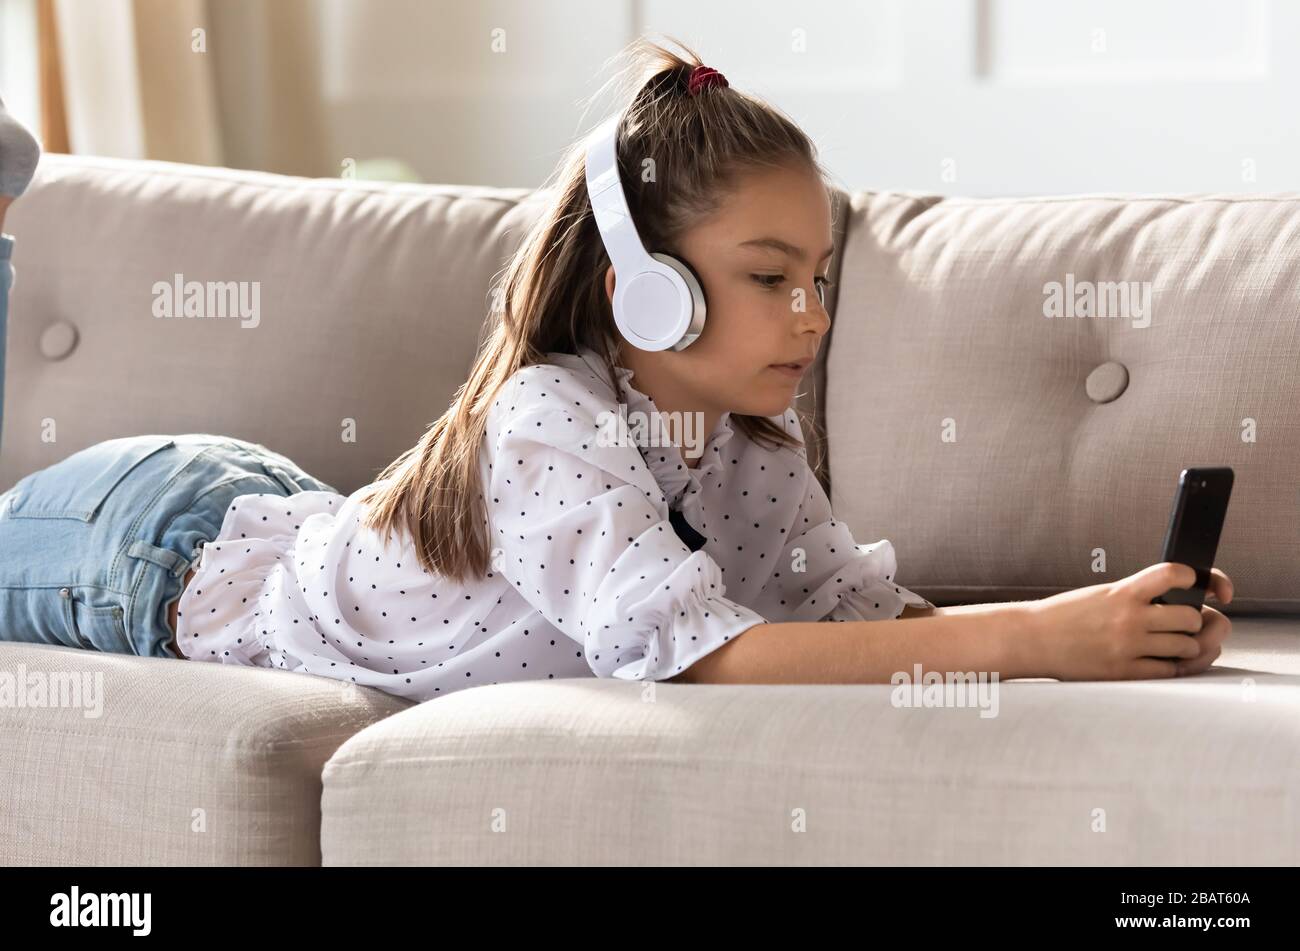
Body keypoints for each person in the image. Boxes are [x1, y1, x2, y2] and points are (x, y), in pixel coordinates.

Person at [0, 39, 1232, 704]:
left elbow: (839, 621)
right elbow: (705, 655)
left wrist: (1114, 616)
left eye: (819, 276)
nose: (810, 314)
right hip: (155, 549)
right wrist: (1035, 638)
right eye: (766, 276)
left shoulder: (748, 440)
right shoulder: (550, 419)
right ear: (642, 289)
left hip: (268, 506)